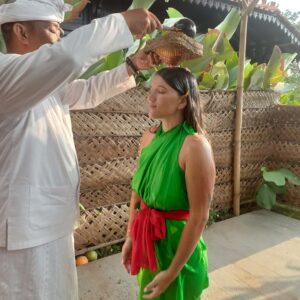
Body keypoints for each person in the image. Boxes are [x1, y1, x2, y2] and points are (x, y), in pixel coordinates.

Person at [0, 0, 162, 299]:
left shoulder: (45, 84)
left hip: (52, 222)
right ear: (21, 31)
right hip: (24, 233)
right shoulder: (5, 73)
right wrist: (121, 24)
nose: (59, 37)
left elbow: (87, 91)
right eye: (52, 29)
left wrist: (132, 65)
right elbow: (68, 57)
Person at [121, 67, 216, 299]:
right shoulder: (148, 137)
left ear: (183, 101)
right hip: (149, 242)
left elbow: (199, 216)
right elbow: (137, 194)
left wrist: (172, 271)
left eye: (161, 91)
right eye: (151, 90)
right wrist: (130, 237)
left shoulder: (195, 146)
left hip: (178, 249)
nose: (150, 97)